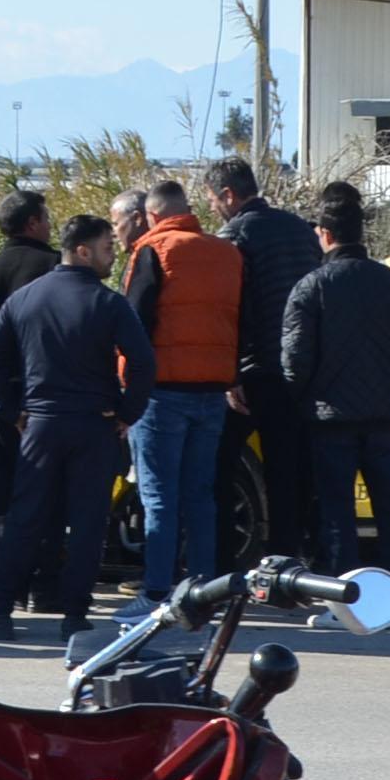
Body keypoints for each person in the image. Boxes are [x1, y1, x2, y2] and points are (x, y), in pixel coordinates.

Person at [0, 212, 153, 640]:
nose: (113, 256)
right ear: (84, 251)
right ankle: (74, 615)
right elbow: (144, 362)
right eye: (108, 248)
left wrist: (11, 410)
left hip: (40, 424)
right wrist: (128, 412)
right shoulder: (109, 303)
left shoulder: (26, 298)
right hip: (94, 424)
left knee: (24, 519)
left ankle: (1, 612)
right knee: (88, 523)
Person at [281, 181, 390, 589]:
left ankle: (343, 598)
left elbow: (294, 362)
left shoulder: (310, 288)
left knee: (337, 513)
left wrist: (300, 400)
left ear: (325, 235)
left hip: (330, 419)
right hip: (382, 416)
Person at [121, 177, 245, 606]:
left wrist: (125, 387)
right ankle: (204, 590)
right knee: (201, 497)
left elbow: (133, 326)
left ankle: (156, 592)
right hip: (212, 390)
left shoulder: (151, 250)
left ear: (151, 215)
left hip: (162, 391)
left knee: (159, 497)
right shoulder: (227, 253)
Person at [210, 157, 322, 560]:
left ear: (228, 194)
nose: (211, 208)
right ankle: (286, 560)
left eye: (212, 199)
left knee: (218, 465)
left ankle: (222, 562)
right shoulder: (302, 231)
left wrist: (231, 371)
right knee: (287, 469)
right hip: (299, 369)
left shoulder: (234, 235)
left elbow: (232, 306)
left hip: (254, 370)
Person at [0, 190, 62, 604]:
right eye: (45, 217)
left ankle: (8, 581)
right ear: (32, 224)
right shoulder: (52, 268)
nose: (50, 224)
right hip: (42, 399)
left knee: (4, 496)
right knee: (48, 494)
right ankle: (45, 585)